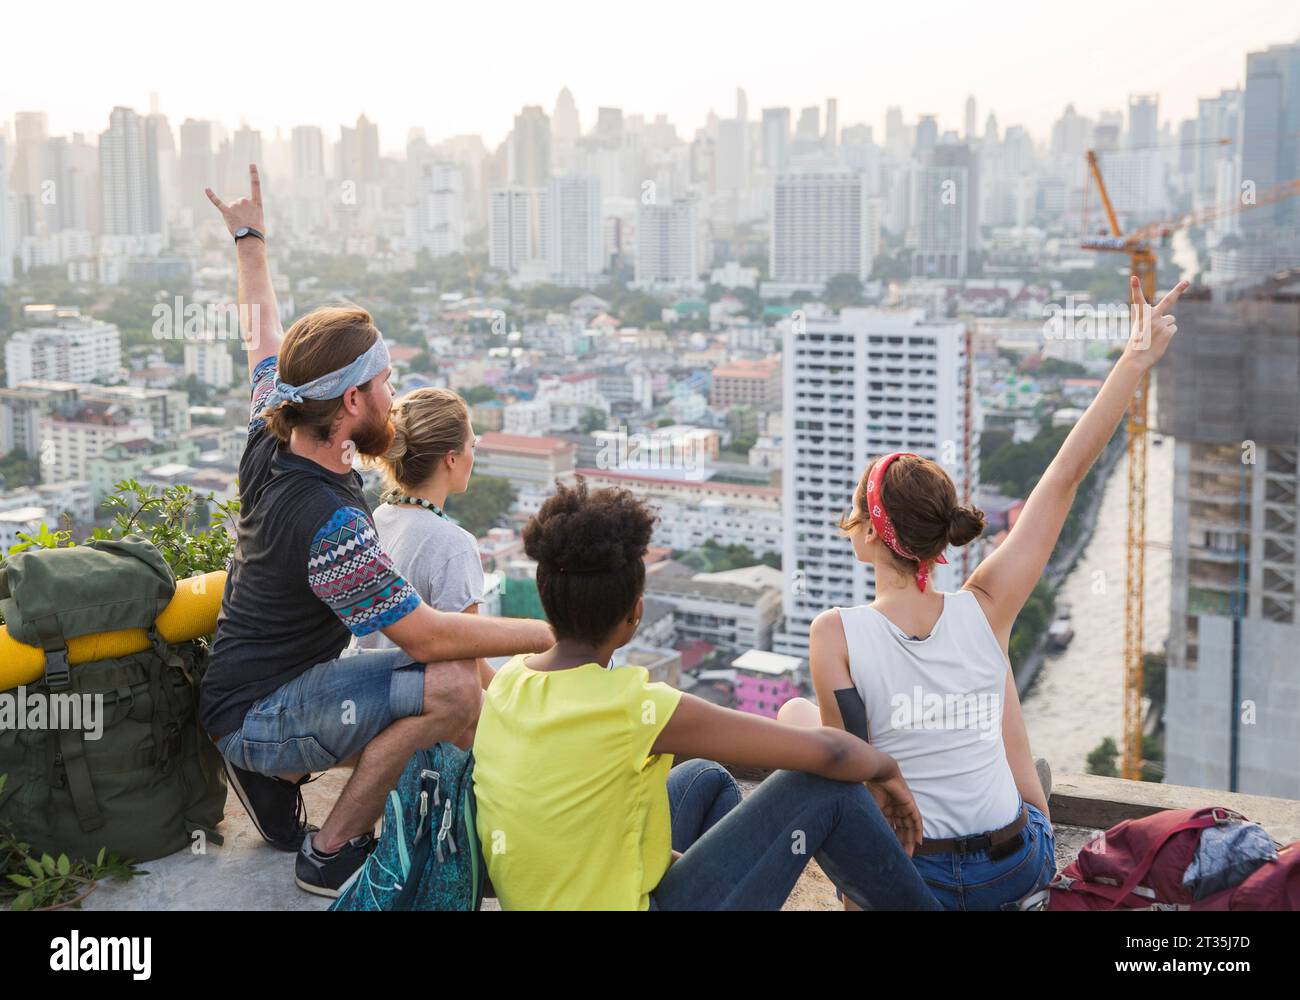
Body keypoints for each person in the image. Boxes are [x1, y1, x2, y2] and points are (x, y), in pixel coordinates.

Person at [780, 274, 1188, 910]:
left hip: (915, 880)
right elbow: (1063, 477)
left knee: (796, 720)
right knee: (990, 671)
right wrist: (1136, 359)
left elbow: (846, 767)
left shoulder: (835, 632)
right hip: (1015, 867)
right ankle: (1028, 811)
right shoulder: (984, 606)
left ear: (868, 532)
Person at [200, 165, 552, 897]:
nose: (397, 391)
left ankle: (280, 772)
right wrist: (554, 636)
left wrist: (250, 241)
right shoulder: (330, 521)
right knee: (452, 688)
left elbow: (260, 334)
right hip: (261, 710)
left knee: (431, 683)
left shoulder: (279, 425)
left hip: (253, 690)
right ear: (353, 399)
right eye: (387, 380)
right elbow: (427, 639)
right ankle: (332, 849)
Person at [471, 479, 943, 910]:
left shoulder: (509, 681)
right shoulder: (633, 707)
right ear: (635, 614)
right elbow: (831, 753)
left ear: (546, 599)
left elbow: (568, 817)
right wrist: (885, 768)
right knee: (822, 787)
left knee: (704, 779)